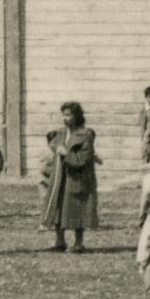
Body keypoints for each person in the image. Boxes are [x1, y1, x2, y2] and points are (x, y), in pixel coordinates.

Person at [41, 102, 99, 253]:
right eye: (64, 115)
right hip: (60, 177)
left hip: (77, 177)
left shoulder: (86, 135)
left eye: (68, 115)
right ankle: (60, 241)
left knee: (77, 208)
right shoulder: (61, 133)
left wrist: (66, 154)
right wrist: (55, 148)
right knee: (58, 207)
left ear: (77, 116)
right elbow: (53, 145)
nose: (65, 118)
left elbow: (83, 158)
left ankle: (79, 243)